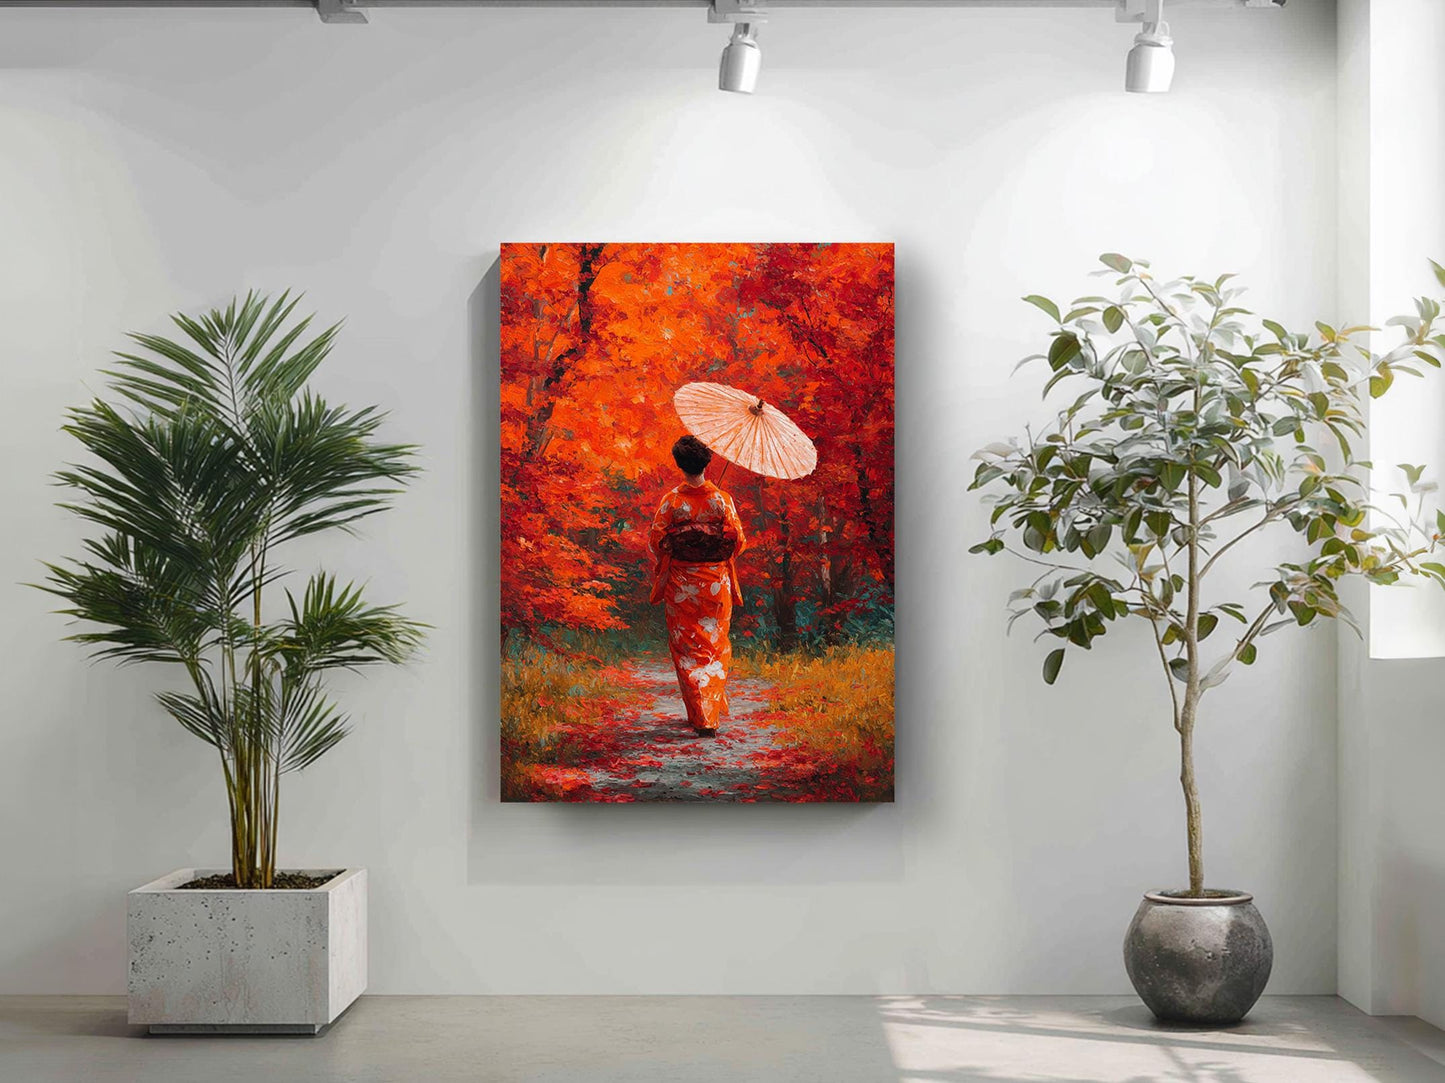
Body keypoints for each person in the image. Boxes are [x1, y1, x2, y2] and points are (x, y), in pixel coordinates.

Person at [648, 435, 747, 737]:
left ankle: (701, 714)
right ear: (707, 462)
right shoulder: (722, 499)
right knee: (714, 646)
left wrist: (683, 540)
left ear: (679, 464)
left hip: (682, 583)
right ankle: (710, 708)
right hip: (715, 582)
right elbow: (738, 541)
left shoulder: (672, 501)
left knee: (687, 647)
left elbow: (657, 541)